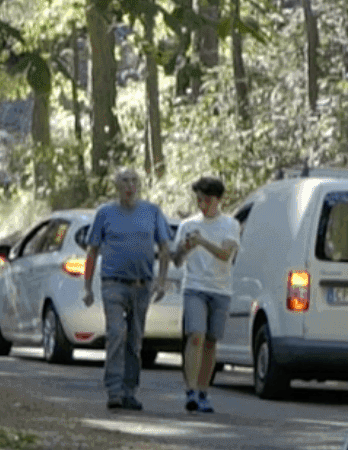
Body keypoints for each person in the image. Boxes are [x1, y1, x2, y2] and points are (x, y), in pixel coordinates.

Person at [78, 167, 173, 412]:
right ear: (116, 186)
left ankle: (130, 391)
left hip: (141, 285)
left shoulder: (151, 212)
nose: (129, 186)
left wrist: (161, 281)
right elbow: (92, 251)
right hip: (113, 283)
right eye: (124, 181)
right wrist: (87, 287)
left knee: (135, 339)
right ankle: (114, 390)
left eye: (133, 181)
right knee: (116, 333)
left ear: (139, 185)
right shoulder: (105, 213)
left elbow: (164, 248)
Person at [171, 175, 238, 413]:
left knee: (210, 342)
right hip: (195, 288)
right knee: (195, 336)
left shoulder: (230, 225)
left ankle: (203, 391)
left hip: (220, 289)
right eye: (199, 200)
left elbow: (225, 255)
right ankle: (190, 391)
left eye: (207, 200)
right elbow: (177, 261)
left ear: (218, 200)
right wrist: (184, 248)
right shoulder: (187, 225)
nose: (202, 205)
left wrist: (201, 242)